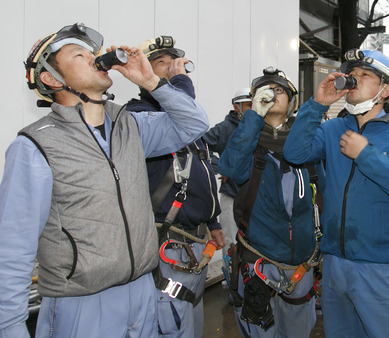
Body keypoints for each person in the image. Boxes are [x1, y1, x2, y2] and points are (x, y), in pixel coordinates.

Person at [0, 23, 209, 338]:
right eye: (78, 55)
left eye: (93, 54)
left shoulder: (130, 128)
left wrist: (150, 80)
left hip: (143, 293)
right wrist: (11, 327)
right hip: (81, 306)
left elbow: (194, 123)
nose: (93, 58)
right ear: (51, 78)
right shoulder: (35, 147)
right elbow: (13, 251)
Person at [283, 49, 389, 338]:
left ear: (385, 89)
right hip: (335, 263)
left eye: (365, 75)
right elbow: (294, 153)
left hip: (379, 265)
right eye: (352, 74)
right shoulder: (333, 128)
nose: (354, 79)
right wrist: (316, 104)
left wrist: (366, 155)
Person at [126, 37, 224, 337]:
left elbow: (200, 172)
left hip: (193, 245)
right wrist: (177, 83)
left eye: (175, 62)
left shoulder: (185, 122)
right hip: (165, 245)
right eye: (161, 64)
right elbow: (182, 116)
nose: (172, 69)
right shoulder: (137, 118)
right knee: (170, 326)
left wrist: (213, 220)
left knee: (190, 325)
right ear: (144, 76)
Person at [219, 67, 324, 338]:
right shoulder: (248, 144)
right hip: (258, 262)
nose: (272, 94)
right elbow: (230, 167)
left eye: (279, 90)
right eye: (265, 91)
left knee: (299, 331)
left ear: (291, 103)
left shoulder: (307, 147)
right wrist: (253, 116)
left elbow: (323, 196)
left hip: (300, 263)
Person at [203, 88, 252, 255]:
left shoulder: (262, 127)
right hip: (231, 196)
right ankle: (230, 280)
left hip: (256, 200)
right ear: (236, 106)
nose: (252, 109)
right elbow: (200, 147)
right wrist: (220, 167)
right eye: (248, 105)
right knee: (231, 244)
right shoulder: (224, 128)